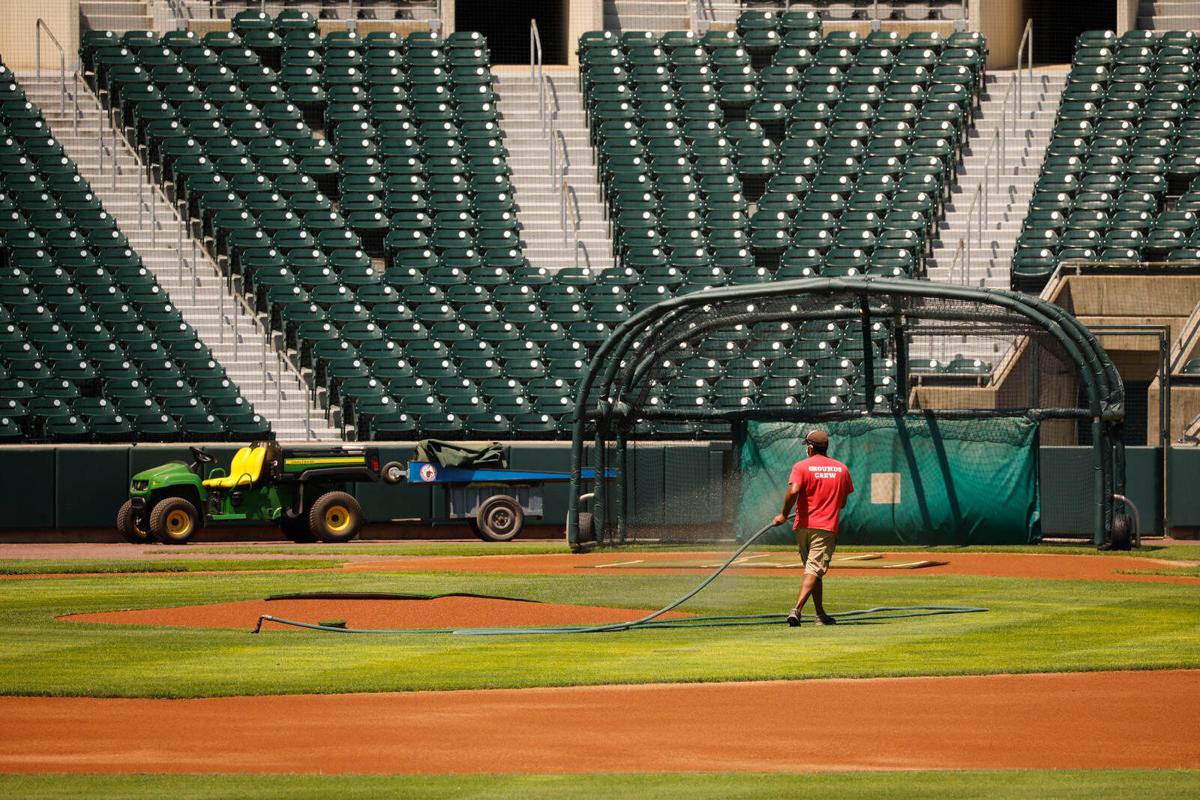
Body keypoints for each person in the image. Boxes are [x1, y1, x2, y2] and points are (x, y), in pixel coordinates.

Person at [771, 430, 854, 627]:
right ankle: (796, 610)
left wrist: (783, 514)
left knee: (812, 569)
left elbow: (794, 490)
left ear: (809, 448)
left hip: (802, 527)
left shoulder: (801, 466)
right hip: (825, 527)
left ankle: (820, 614)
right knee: (814, 569)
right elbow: (842, 502)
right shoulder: (841, 469)